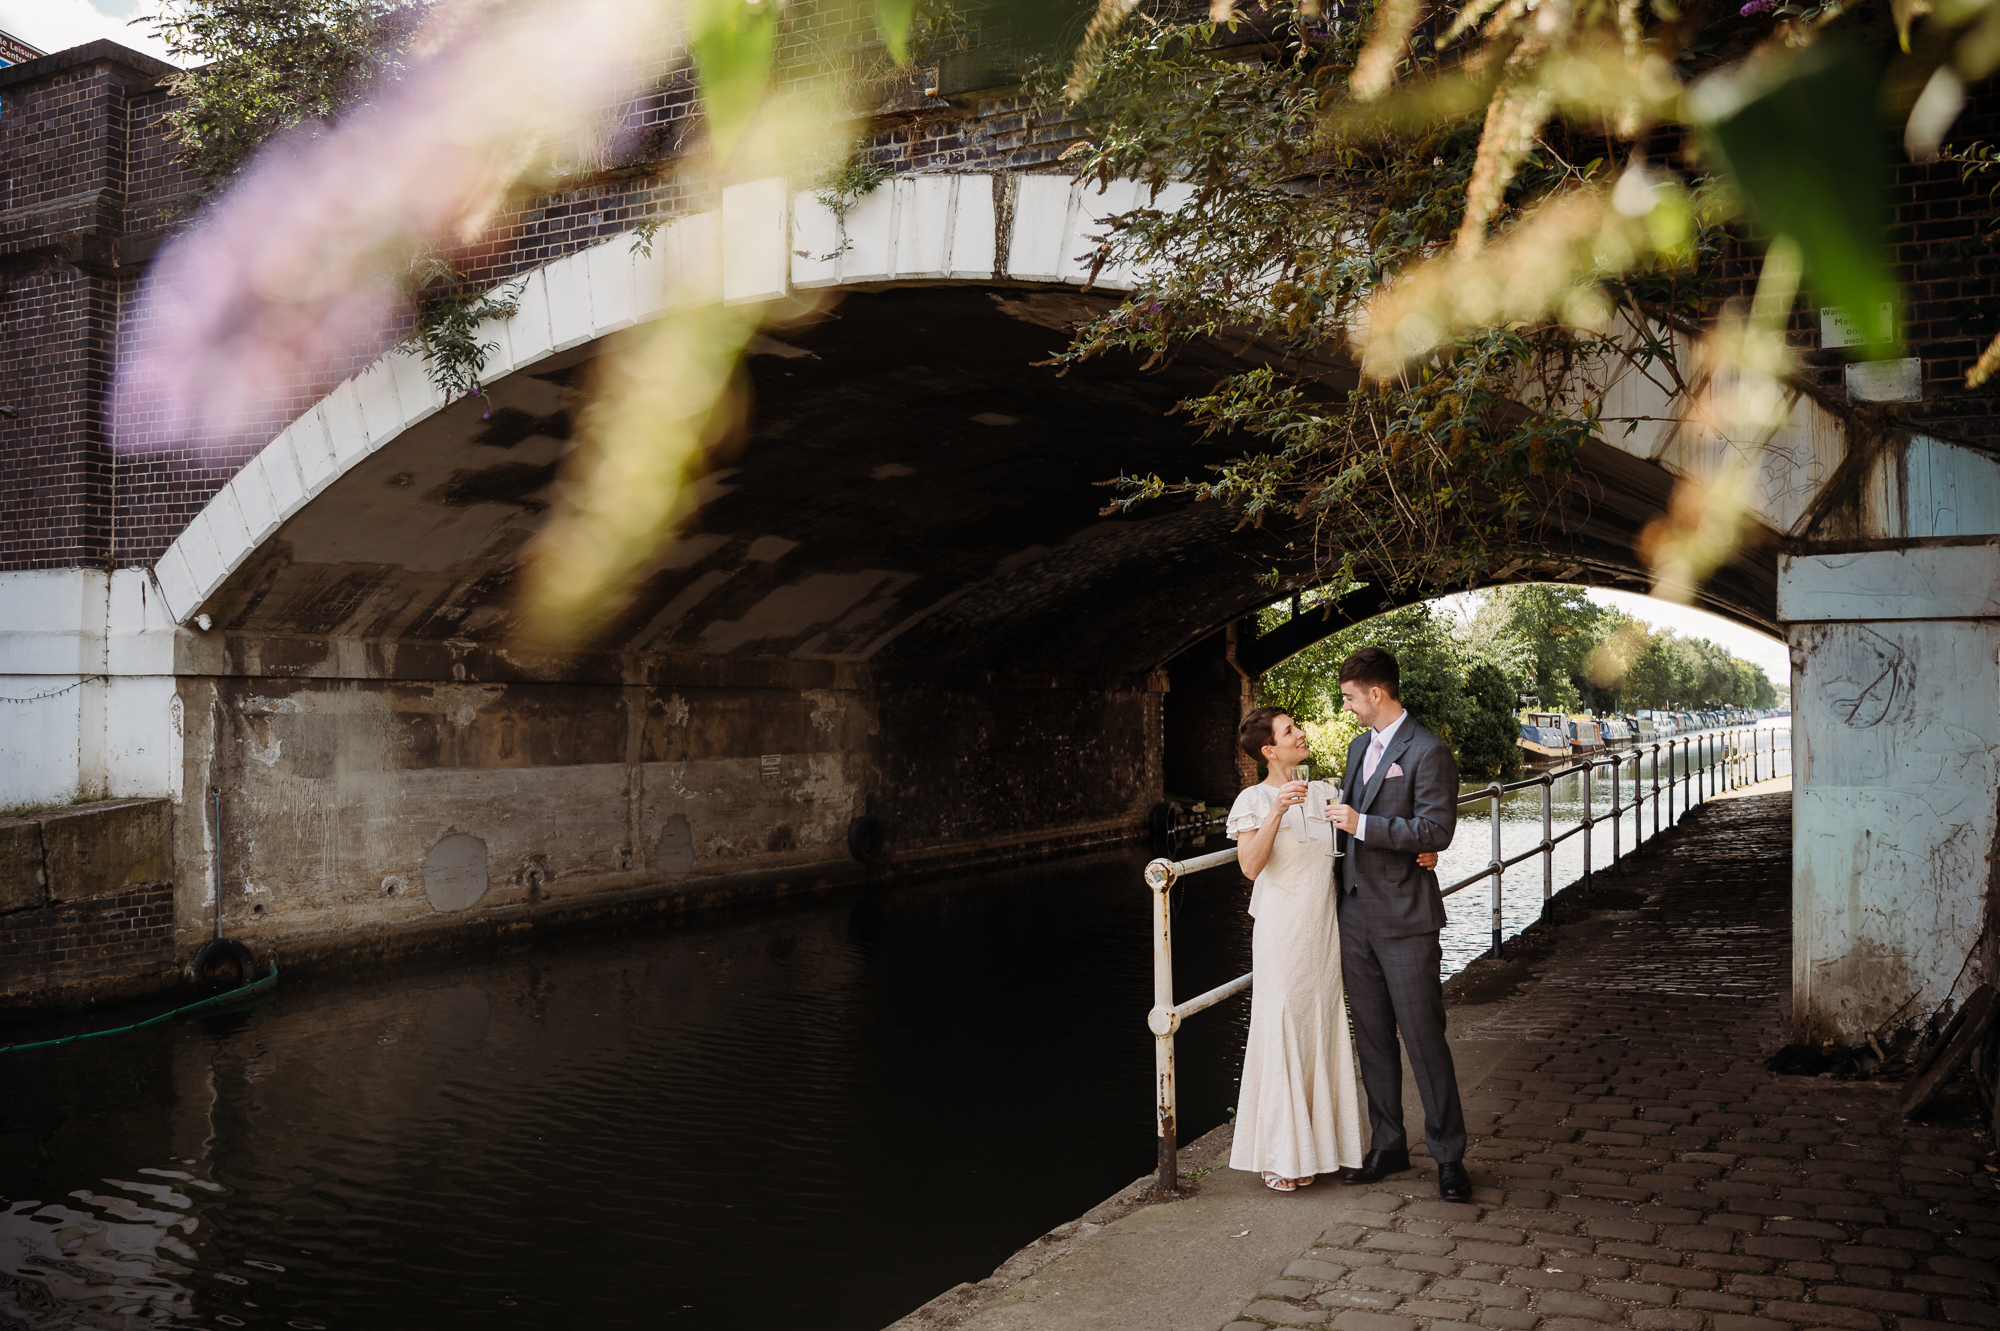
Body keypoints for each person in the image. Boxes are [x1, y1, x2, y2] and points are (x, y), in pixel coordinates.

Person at [1225, 706, 1439, 1193]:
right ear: (1269, 750)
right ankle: (1281, 1154)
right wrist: (1277, 809)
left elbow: (1373, 826)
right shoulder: (1252, 799)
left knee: (1322, 1026)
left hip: (1326, 932)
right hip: (1282, 934)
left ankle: (1321, 1149)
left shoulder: (1325, 791)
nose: (1300, 733)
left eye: (1296, 726)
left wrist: (1424, 846)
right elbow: (1251, 868)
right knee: (1284, 1028)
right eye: (1288, 731)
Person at [1325, 646, 1471, 1202]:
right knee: (1374, 1041)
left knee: (1424, 1039)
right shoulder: (1358, 747)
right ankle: (1387, 1144)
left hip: (1407, 916)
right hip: (1355, 913)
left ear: (1376, 693)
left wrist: (1365, 823)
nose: (1348, 708)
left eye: (1349, 697)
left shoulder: (1429, 751)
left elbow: (1435, 831)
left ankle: (1449, 1156)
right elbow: (1348, 827)